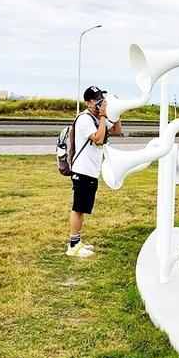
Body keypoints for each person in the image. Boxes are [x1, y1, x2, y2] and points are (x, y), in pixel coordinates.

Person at [67, 85, 122, 258]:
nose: (100, 102)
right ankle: (73, 246)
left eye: (101, 97)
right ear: (88, 103)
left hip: (91, 170)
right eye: (96, 99)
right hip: (82, 170)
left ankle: (77, 241)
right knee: (78, 208)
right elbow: (98, 139)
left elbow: (117, 131)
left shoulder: (98, 118)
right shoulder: (84, 119)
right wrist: (104, 116)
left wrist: (116, 112)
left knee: (83, 208)